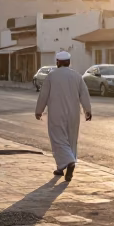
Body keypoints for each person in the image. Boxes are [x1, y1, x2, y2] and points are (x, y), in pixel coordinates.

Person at [35, 51, 92, 182]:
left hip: (56, 113)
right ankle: (61, 168)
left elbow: (43, 95)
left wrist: (39, 111)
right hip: (74, 114)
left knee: (58, 140)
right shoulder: (77, 76)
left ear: (58, 62)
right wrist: (87, 111)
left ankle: (69, 162)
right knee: (71, 139)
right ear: (69, 62)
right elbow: (84, 94)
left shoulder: (51, 76)